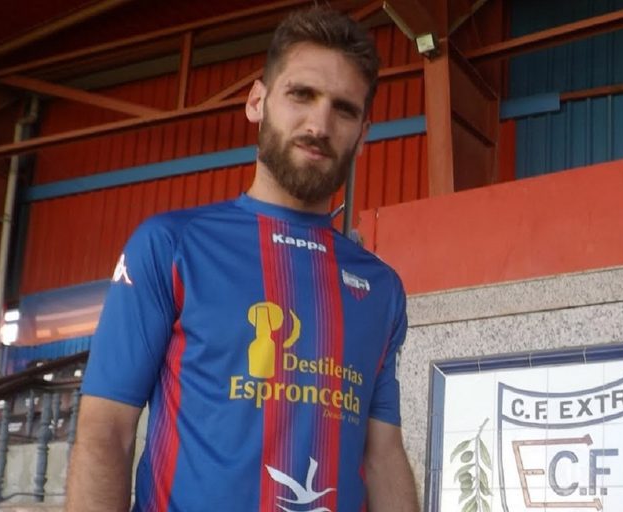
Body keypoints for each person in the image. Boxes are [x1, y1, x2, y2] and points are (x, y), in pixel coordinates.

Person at [65, 7, 420, 511]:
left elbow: (383, 455)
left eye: (343, 110)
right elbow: (106, 432)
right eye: (301, 95)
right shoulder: (170, 246)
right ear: (257, 101)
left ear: (363, 134)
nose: (319, 124)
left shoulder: (380, 288)